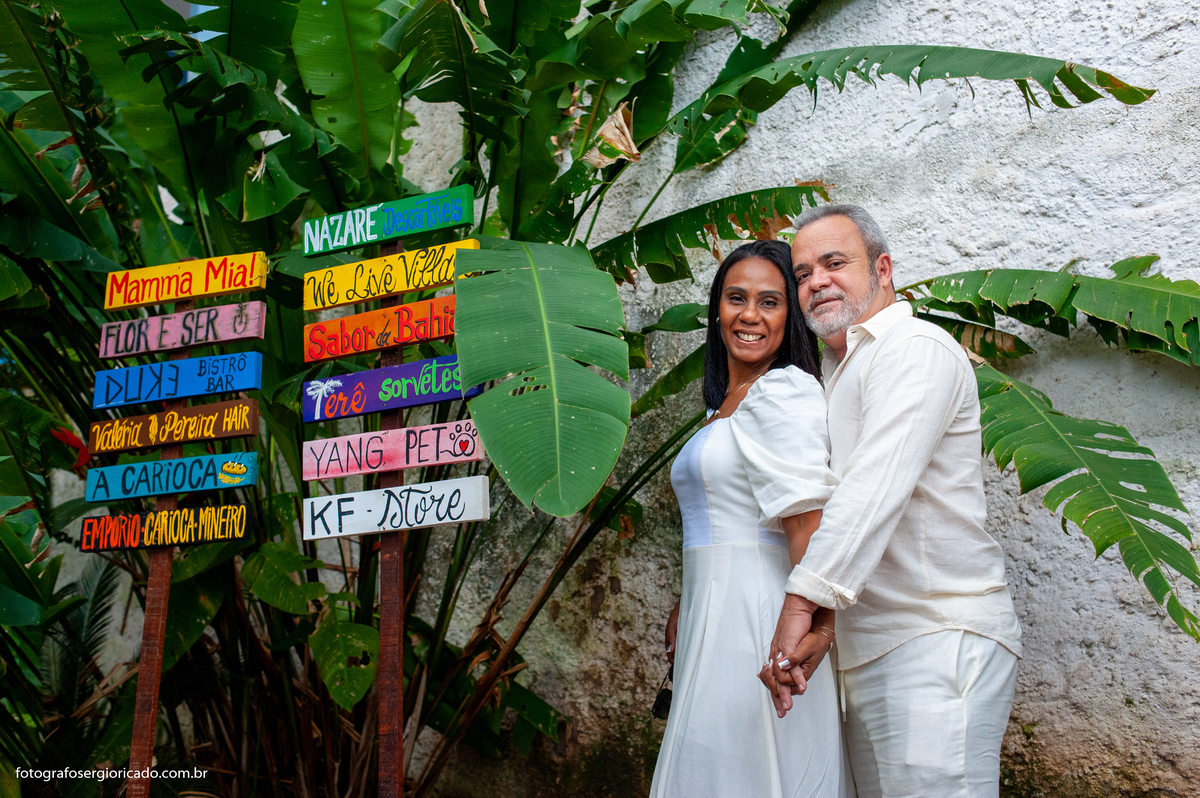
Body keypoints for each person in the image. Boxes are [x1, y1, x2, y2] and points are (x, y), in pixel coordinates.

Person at [761, 205, 1023, 798]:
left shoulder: (914, 347)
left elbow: (873, 489)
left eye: (834, 263)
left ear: (882, 268)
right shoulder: (840, 371)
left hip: (935, 638)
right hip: (871, 647)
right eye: (802, 273)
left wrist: (802, 602)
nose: (816, 281)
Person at [650, 240, 852, 798]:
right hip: (711, 617)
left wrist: (816, 630)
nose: (750, 315)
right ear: (717, 309)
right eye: (737, 298)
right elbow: (723, 518)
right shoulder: (725, 404)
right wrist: (688, 603)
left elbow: (807, 525)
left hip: (758, 620)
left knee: (745, 774)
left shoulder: (782, 390)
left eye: (771, 301)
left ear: (792, 318)